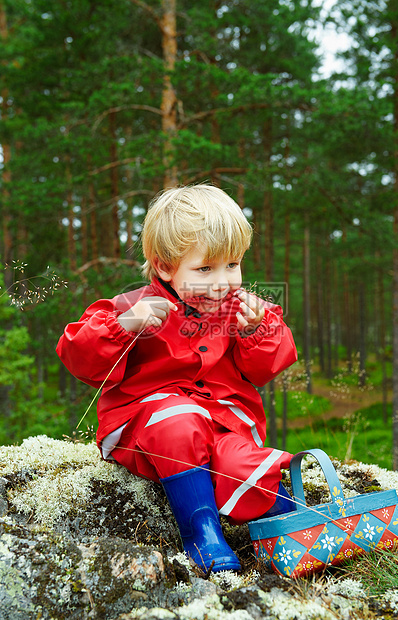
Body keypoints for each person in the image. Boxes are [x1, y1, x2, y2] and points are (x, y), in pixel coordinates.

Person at [57, 184, 298, 572]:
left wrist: (257, 331)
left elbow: (267, 367)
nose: (223, 281)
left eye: (233, 265)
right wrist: (124, 327)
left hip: (223, 422)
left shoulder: (242, 310)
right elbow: (79, 357)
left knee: (239, 464)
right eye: (205, 269)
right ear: (165, 266)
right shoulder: (132, 308)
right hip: (149, 425)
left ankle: (292, 520)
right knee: (179, 421)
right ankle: (202, 532)